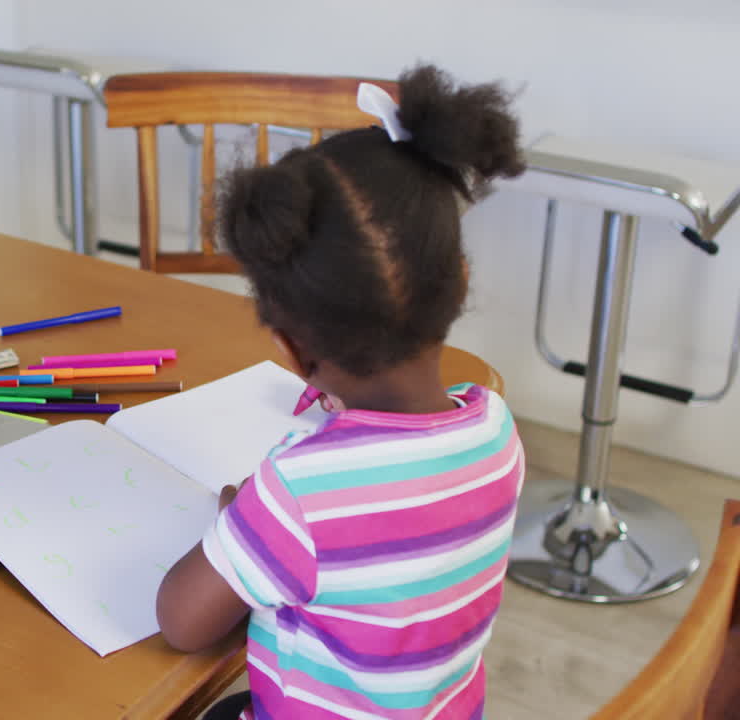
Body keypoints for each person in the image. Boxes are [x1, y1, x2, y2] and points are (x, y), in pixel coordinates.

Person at [156, 65, 528, 720]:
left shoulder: (298, 495)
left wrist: (240, 525)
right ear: (460, 282)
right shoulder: (497, 428)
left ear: (291, 348)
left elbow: (181, 623)